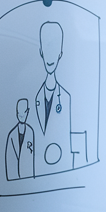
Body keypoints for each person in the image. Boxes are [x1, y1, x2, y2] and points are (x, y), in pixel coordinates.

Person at [33, 22, 73, 174]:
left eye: (54, 47)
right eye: (46, 47)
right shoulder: (30, 96)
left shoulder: (66, 98)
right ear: (41, 51)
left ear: (60, 53)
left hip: (60, 171)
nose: (50, 56)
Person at [5, 98, 36, 180]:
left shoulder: (31, 132)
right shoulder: (11, 135)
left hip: (28, 177)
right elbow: (9, 159)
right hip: (13, 178)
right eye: (19, 113)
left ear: (28, 111)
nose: (21, 116)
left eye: (24, 112)